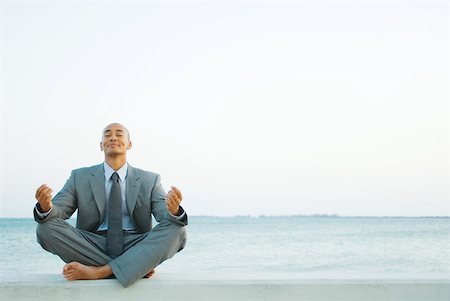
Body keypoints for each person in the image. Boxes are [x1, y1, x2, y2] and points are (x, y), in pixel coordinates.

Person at [33, 123, 187, 288]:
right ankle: (135, 267)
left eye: (119, 134)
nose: (113, 137)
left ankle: (100, 272)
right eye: (107, 134)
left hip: (135, 244)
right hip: (92, 244)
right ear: (101, 145)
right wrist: (46, 207)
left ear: (129, 144)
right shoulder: (79, 176)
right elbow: (59, 211)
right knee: (45, 228)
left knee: (177, 230)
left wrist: (173, 210)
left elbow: (164, 215)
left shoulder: (150, 179)